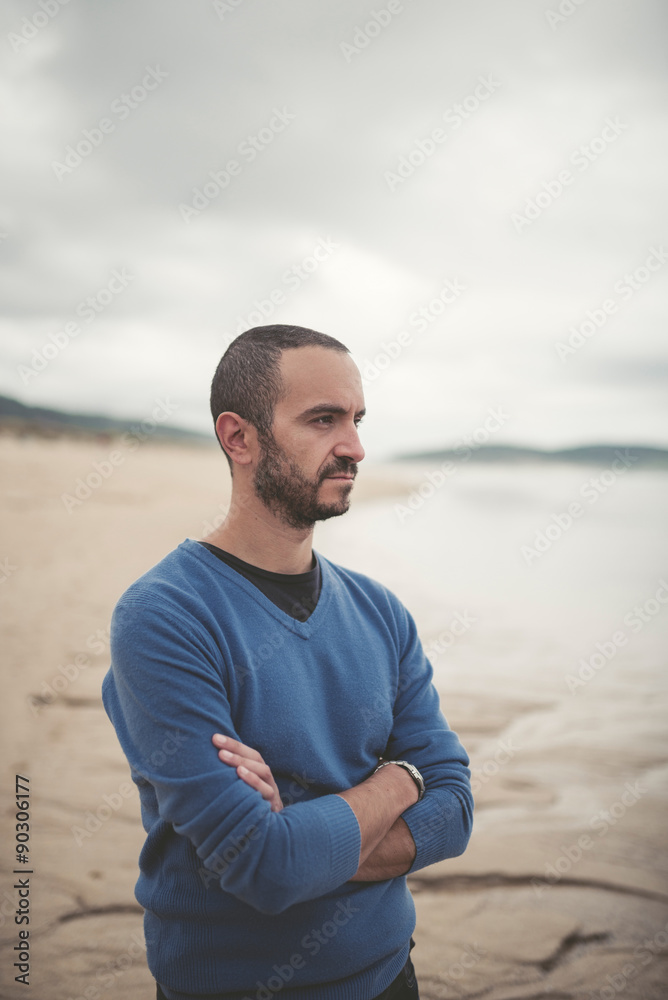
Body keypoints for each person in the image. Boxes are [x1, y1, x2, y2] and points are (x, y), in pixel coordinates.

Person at [102, 324, 473, 1000]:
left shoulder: (380, 612)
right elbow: (265, 867)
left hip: (390, 975)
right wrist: (401, 781)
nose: (355, 447)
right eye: (323, 420)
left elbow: (456, 812)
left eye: (357, 420)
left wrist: (305, 840)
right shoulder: (164, 618)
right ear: (239, 438)